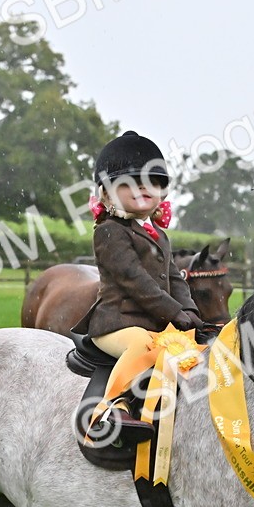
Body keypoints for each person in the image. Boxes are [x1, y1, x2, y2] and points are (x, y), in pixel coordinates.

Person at [72, 131, 205, 441]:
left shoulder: (159, 235)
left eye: (152, 182)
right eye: (130, 183)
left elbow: (174, 278)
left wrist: (190, 311)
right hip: (117, 323)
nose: (143, 188)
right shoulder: (109, 232)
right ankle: (111, 408)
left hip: (157, 324)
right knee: (141, 345)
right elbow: (135, 280)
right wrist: (174, 312)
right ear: (107, 194)